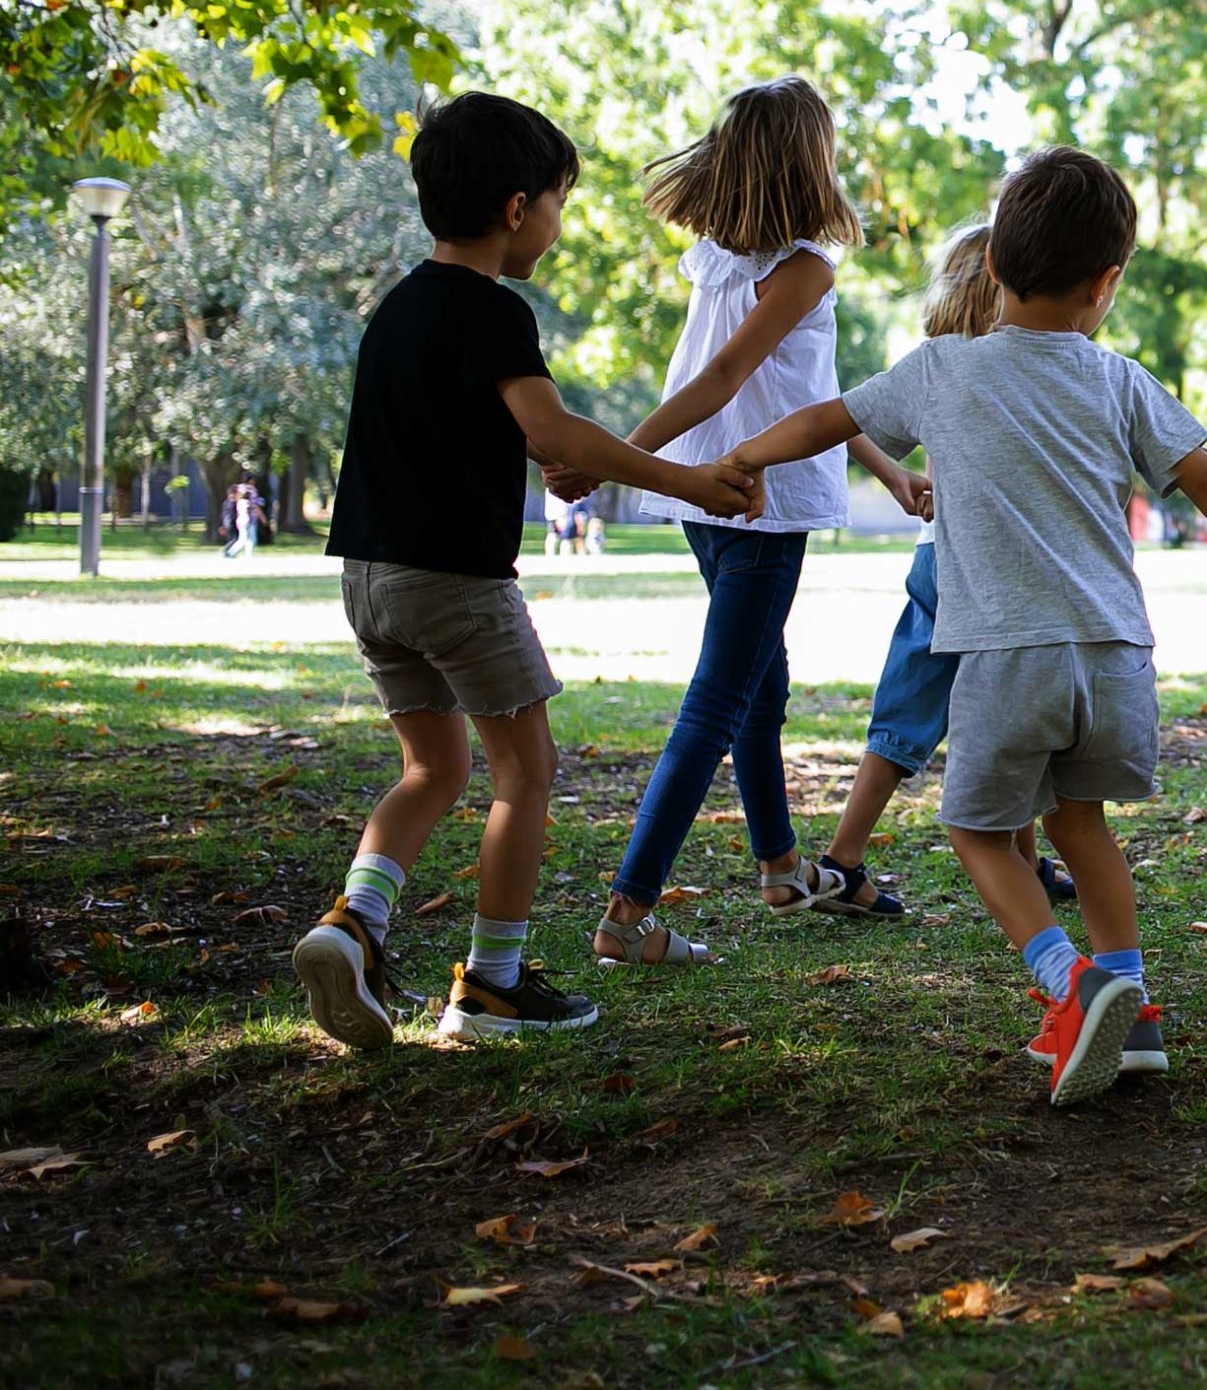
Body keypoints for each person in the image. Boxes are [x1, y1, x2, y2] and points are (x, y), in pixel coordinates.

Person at [725, 145, 1207, 1105]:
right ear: (1107, 282)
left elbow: (827, 418)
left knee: (974, 825)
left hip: (1009, 655)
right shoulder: (1117, 378)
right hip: (1116, 656)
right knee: (1082, 825)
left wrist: (749, 455)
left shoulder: (941, 369)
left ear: (992, 270)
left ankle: (1070, 980)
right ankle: (1132, 1014)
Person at [290, 91, 758, 1050]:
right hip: (455, 584)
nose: (556, 219)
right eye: (556, 200)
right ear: (516, 209)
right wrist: (688, 480)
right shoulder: (494, 311)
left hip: (369, 580)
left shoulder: (396, 310)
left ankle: (356, 923)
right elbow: (552, 432)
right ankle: (493, 982)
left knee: (431, 767)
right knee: (525, 773)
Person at [565, 77, 927, 968]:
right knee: (721, 700)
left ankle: (778, 864)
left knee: (761, 688)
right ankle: (629, 908)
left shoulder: (720, 259)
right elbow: (727, 375)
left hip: (708, 491)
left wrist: (885, 463)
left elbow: (805, 391)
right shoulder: (801, 264)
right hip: (755, 499)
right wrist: (611, 455)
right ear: (813, 158)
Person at [810, 224, 1078, 924]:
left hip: (943, 556)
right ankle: (844, 860)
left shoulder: (940, 362)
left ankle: (853, 857)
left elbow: (848, 414)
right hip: (989, 567)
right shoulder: (1019, 363)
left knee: (933, 710)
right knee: (991, 707)